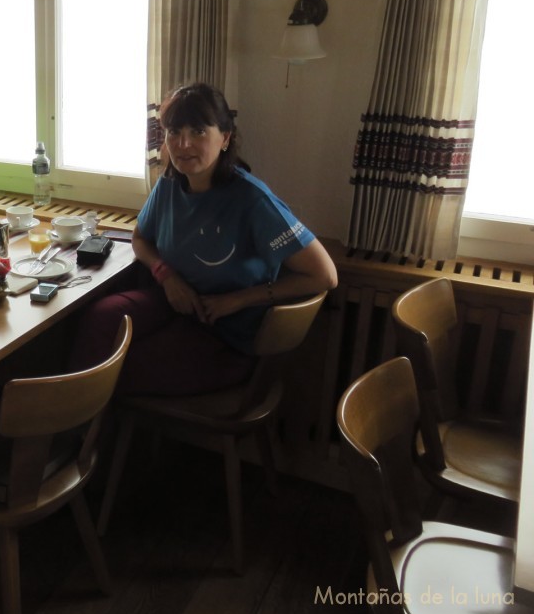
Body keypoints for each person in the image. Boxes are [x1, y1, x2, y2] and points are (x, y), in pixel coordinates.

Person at [71, 82, 337, 395]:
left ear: (225, 138)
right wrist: (166, 275)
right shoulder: (170, 183)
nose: (183, 144)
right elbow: (140, 239)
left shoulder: (252, 200)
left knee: (123, 367)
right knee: (100, 318)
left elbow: (325, 275)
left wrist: (237, 299)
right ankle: (80, 433)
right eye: (173, 132)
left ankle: (90, 435)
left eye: (198, 131)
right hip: (176, 306)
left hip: (227, 332)